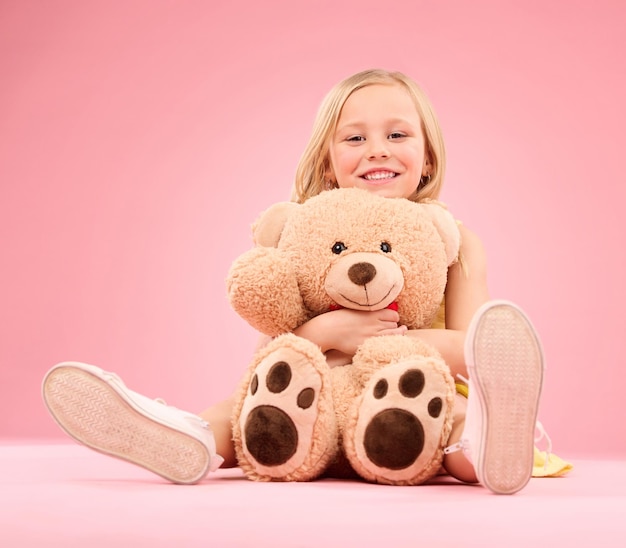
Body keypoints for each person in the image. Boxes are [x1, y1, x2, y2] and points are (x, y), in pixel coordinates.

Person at [42, 69, 548, 494]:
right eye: (355, 138)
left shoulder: (453, 241)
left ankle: (483, 451)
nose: (377, 150)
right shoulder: (304, 233)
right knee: (236, 409)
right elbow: (270, 354)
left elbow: (477, 347)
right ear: (328, 164)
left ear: (428, 157)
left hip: (402, 417)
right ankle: (184, 437)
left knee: (454, 414)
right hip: (310, 418)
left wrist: (388, 342)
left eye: (397, 135)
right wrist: (329, 335)